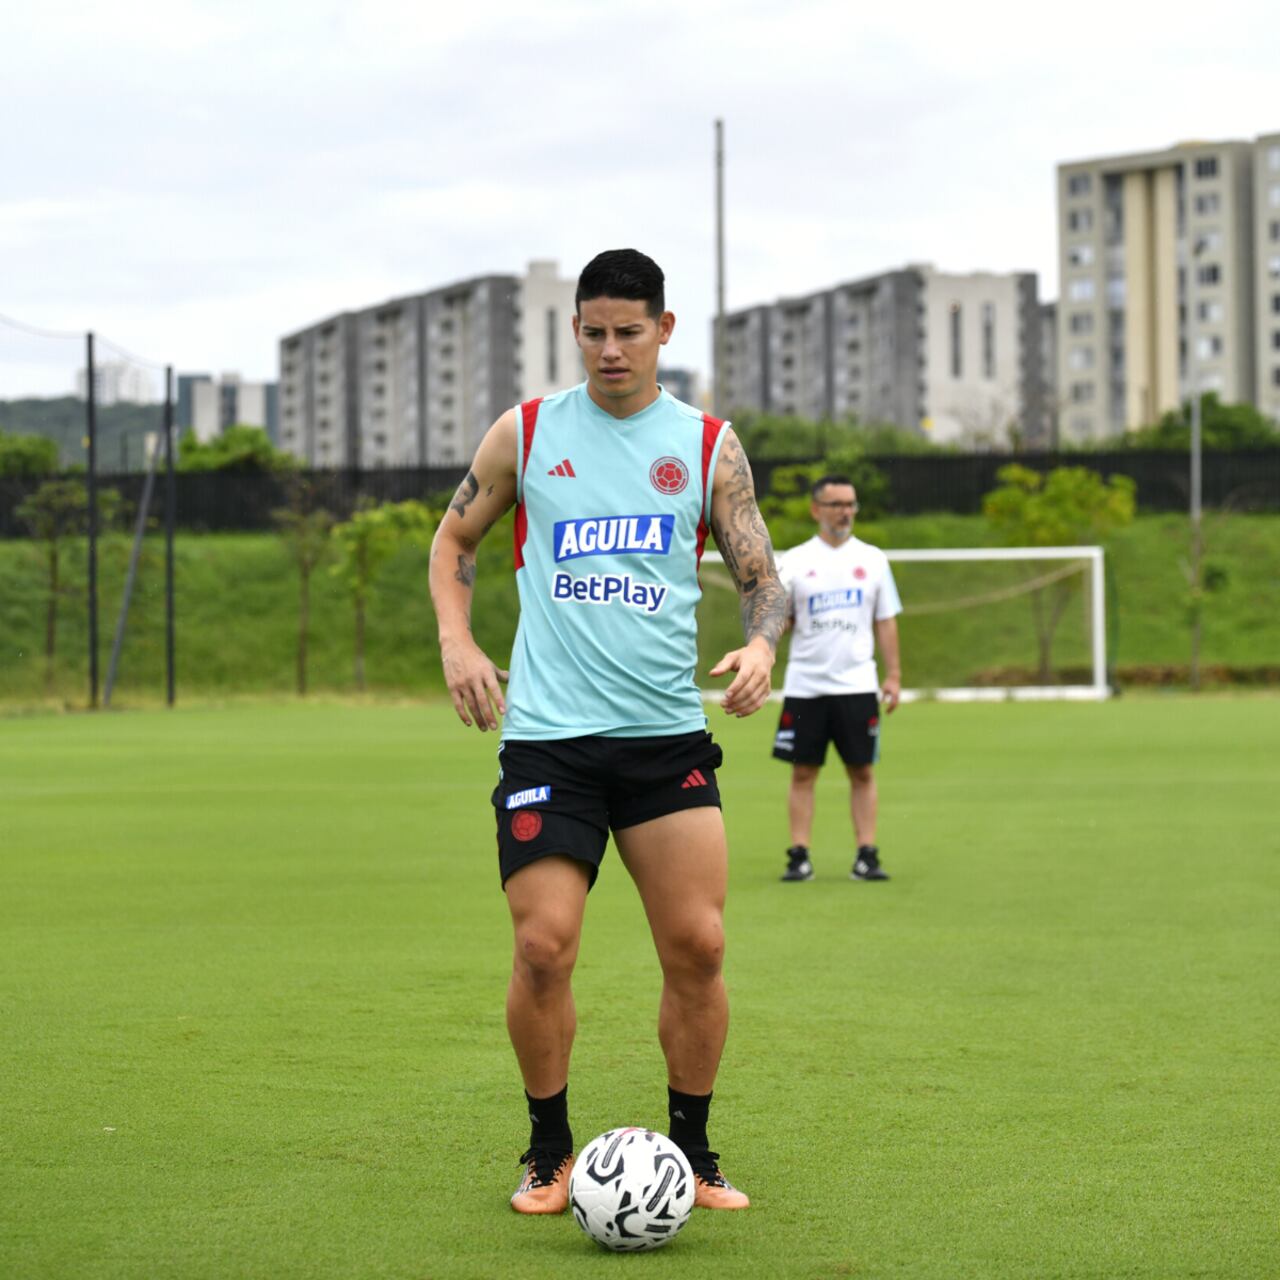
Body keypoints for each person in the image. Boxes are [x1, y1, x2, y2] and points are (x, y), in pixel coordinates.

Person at [429, 248, 784, 1216]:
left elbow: (762, 579)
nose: (610, 349)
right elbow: (454, 538)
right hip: (548, 739)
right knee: (543, 945)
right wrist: (458, 643)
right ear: (575, 331)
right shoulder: (530, 430)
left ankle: (693, 1150)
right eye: (593, 331)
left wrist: (759, 650)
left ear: (664, 330)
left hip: (664, 737)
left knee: (698, 946)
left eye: (629, 330)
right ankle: (548, 1151)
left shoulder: (707, 443)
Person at [772, 475, 903, 883]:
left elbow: (885, 621)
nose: (845, 511)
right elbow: (779, 620)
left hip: (857, 685)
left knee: (862, 771)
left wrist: (894, 674)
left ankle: (866, 854)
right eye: (836, 504)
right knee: (803, 771)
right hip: (806, 684)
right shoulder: (792, 561)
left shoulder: (874, 559)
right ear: (816, 510)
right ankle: (799, 855)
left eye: (850, 504)